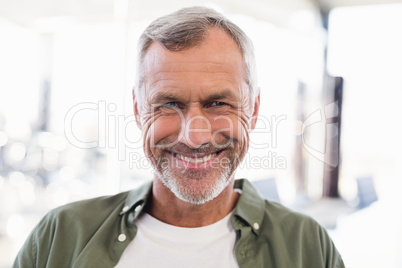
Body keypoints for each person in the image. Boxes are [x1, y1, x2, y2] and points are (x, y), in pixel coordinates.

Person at [13, 6, 345, 268]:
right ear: (139, 109)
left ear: (254, 110)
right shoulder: (59, 237)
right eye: (169, 104)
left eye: (218, 103)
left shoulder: (308, 246)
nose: (196, 136)